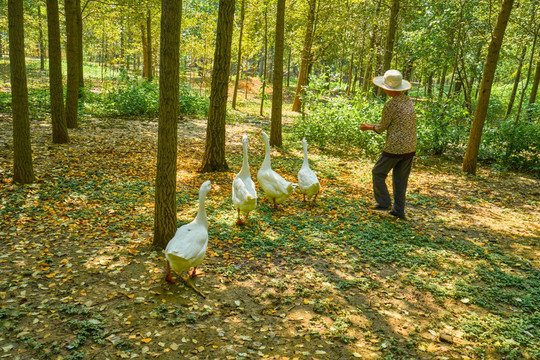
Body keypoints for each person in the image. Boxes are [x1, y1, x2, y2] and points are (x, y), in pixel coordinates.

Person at [360, 69, 416, 219]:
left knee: (378, 172)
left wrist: (368, 126)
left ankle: (384, 203)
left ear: (388, 89)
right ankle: (398, 210)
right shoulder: (408, 101)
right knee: (400, 180)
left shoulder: (391, 105)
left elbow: (382, 126)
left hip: (395, 147)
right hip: (410, 147)